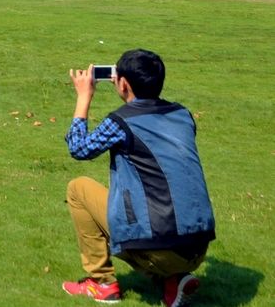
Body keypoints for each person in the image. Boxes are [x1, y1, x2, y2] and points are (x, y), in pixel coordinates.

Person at [62, 49, 215, 306]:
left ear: (122, 83)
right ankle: (173, 280)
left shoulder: (121, 121)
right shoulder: (182, 115)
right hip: (198, 246)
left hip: (160, 245)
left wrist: (84, 97)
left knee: (78, 188)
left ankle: (102, 284)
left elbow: (79, 148)